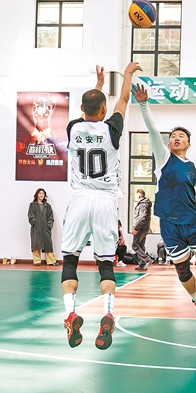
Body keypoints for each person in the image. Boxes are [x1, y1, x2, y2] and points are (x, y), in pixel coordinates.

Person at [133, 83, 196, 323]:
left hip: (192, 223)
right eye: (173, 137)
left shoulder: (192, 167)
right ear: (168, 144)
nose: (176, 138)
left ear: (188, 144)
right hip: (170, 225)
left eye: (181, 136)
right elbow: (152, 130)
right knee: (182, 269)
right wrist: (144, 105)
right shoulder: (163, 158)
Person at [59, 62, 139, 351]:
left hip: (80, 199)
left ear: (82, 108)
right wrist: (127, 75)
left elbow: (90, 110)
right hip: (105, 201)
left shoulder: (72, 128)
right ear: (104, 110)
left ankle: (71, 314)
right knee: (106, 264)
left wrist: (98, 85)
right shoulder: (112, 129)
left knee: (70, 261)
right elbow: (124, 100)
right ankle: (108, 314)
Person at [28, 188, 56, 266]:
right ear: (37, 195)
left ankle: (51, 261)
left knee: (48, 245)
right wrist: (35, 223)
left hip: (45, 228)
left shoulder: (48, 206)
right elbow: (30, 215)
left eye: (43, 194)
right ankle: (37, 260)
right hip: (36, 228)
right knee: (36, 245)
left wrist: (49, 226)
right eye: (40, 193)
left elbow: (51, 217)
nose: (41, 195)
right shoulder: (32, 205)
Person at [132, 189, 153, 271]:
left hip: (141, 228)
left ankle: (146, 260)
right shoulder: (145, 203)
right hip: (144, 228)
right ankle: (142, 265)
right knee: (140, 245)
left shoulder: (142, 204)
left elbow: (142, 217)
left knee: (135, 245)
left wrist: (136, 228)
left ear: (139, 195)